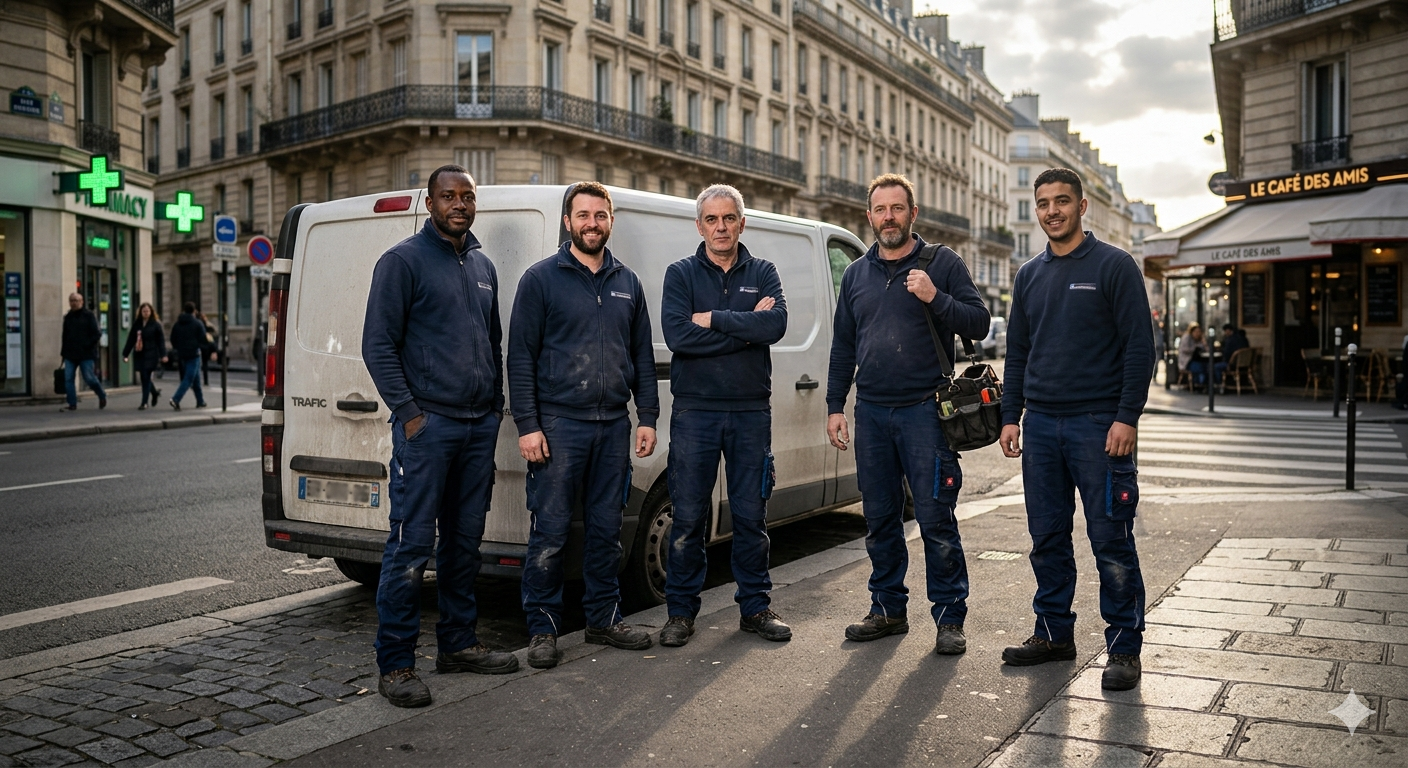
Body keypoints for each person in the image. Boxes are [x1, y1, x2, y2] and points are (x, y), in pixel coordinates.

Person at [361, 164, 519, 709]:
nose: (459, 204)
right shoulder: (402, 261)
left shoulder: (482, 266)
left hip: (477, 428)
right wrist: (410, 415)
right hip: (428, 429)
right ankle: (396, 664)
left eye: (467, 196)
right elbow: (378, 345)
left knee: (463, 544)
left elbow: (493, 343)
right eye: (448, 196)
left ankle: (458, 644)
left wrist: (494, 408)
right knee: (410, 547)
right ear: (429, 204)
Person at [998, 167, 1154, 691]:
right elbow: (1017, 352)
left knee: (1111, 540)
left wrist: (1127, 416)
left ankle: (1124, 648)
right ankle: (1053, 634)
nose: (1052, 211)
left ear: (1082, 206)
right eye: (1043, 203)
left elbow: (1140, 347)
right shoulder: (1028, 274)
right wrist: (1010, 415)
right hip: (1041, 425)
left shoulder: (1115, 265)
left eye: (1062, 201)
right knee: (1046, 538)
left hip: (1098, 426)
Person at [825, 173, 991, 655]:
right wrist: (835, 406)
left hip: (926, 411)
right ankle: (887, 610)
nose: (889, 217)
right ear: (870, 216)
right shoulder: (856, 274)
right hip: (873, 412)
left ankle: (949, 618)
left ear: (912, 214)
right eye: (880, 210)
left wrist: (935, 297)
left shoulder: (941, 263)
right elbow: (843, 347)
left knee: (936, 518)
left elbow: (979, 322)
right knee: (879, 517)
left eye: (897, 208)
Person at [509, 182, 660, 669]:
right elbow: (520, 358)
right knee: (551, 532)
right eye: (583, 215)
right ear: (568, 222)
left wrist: (647, 417)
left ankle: (603, 619)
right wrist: (528, 425)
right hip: (558, 426)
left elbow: (641, 356)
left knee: (606, 530)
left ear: (610, 220)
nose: (591, 223)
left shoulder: (628, 282)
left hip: (613, 425)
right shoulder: (540, 279)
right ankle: (542, 629)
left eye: (600, 215)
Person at [658, 184, 791, 647]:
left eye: (729, 218)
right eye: (712, 220)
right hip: (695, 413)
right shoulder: (680, 273)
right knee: (688, 517)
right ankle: (680, 614)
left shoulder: (764, 271)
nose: (721, 227)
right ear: (700, 226)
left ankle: (755, 608)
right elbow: (678, 336)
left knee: (751, 516)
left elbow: (775, 324)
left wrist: (712, 318)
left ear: (741, 223)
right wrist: (745, 326)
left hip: (750, 412)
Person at [60, 292, 106, 411]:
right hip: (70, 353)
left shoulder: (89, 315)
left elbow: (97, 334)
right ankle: (72, 403)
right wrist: (63, 353)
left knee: (89, 378)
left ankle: (101, 395)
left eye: (76, 300)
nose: (74, 303)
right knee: (68, 379)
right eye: (71, 300)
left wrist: (87, 345)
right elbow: (65, 336)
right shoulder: (68, 317)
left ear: (82, 302)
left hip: (86, 354)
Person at [122, 302, 167, 409]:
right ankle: (154, 393)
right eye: (144, 311)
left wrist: (163, 355)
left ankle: (144, 403)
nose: (146, 313)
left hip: (151, 354)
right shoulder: (137, 324)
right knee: (144, 377)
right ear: (140, 312)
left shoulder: (156, 324)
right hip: (140, 353)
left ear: (151, 312)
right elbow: (131, 339)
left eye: (147, 311)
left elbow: (161, 341)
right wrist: (125, 354)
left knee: (146, 376)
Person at [168, 302, 209, 410]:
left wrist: (178, 348)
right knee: (189, 378)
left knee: (196, 378)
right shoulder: (197, 323)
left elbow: (172, 339)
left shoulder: (177, 324)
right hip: (194, 354)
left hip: (182, 354)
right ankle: (176, 399)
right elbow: (203, 339)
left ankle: (200, 401)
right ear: (194, 311)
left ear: (184, 311)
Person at [1177, 323, 1208, 388]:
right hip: (1187, 362)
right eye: (1196, 332)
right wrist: (1194, 348)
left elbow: (1206, 350)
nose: (1197, 334)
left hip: (1198, 360)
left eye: (1199, 332)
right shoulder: (1187, 337)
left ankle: (1204, 384)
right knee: (1200, 367)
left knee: (1206, 366)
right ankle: (1199, 384)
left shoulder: (1199, 339)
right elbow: (1184, 349)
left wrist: (1203, 342)